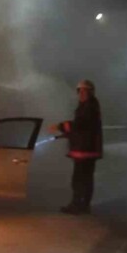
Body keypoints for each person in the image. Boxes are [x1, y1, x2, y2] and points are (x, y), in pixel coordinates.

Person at [49, 80, 103, 215]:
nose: (82, 93)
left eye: (85, 91)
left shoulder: (89, 107)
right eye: (80, 91)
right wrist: (67, 134)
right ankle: (83, 205)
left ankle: (78, 206)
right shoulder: (87, 106)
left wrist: (60, 126)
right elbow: (82, 128)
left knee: (79, 180)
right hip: (85, 149)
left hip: (85, 150)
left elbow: (80, 124)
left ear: (91, 92)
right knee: (84, 179)